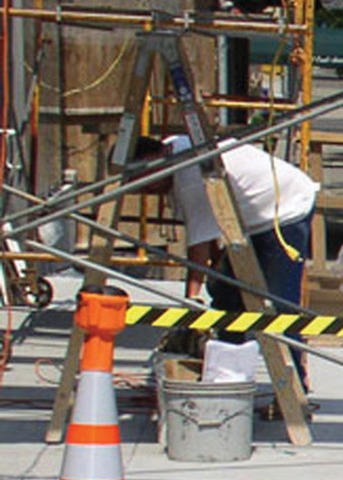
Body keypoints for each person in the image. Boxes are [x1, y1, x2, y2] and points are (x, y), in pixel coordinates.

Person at [134, 134, 319, 391]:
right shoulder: (177, 145)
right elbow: (209, 230)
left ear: (156, 157)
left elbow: (197, 250)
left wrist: (191, 300)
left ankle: (294, 386)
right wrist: (217, 273)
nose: (145, 190)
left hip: (284, 210)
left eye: (144, 182)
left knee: (279, 306)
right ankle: (229, 373)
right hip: (247, 222)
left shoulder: (189, 178)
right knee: (227, 296)